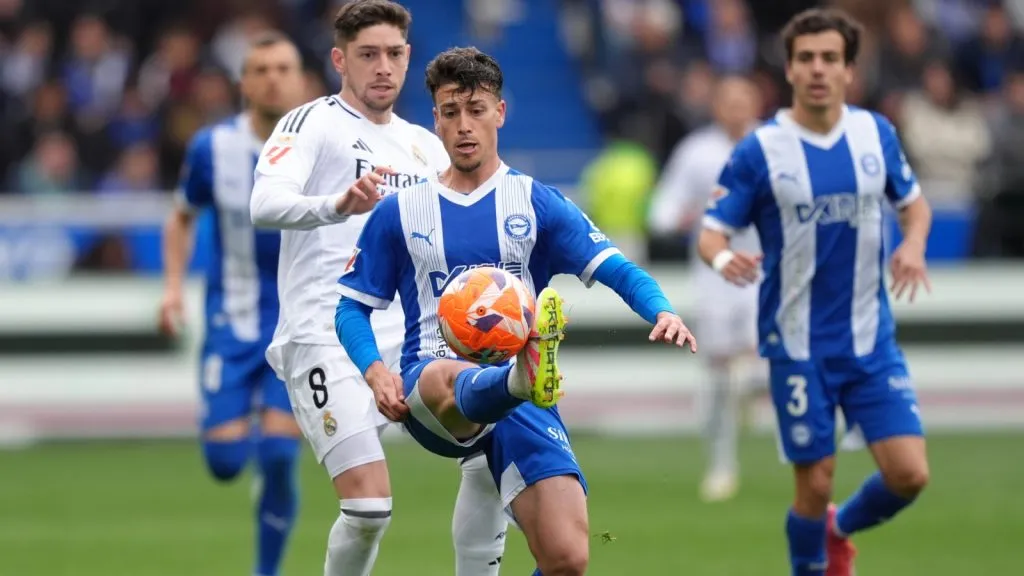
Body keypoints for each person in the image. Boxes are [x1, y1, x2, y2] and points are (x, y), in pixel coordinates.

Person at [335, 46, 698, 576]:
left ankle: (518, 383)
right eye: (451, 112)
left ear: (500, 113)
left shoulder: (536, 202)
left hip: (522, 391)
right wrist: (374, 372)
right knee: (442, 373)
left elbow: (616, 267)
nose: (464, 126)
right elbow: (350, 307)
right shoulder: (400, 211)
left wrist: (662, 310)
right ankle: (519, 380)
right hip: (432, 393)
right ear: (434, 118)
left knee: (567, 559)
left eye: (476, 110)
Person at [248, 2, 508, 575]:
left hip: (410, 340)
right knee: (368, 508)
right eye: (368, 55)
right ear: (341, 59)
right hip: (325, 336)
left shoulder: (425, 146)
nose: (382, 67)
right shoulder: (312, 123)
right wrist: (335, 204)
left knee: (496, 446)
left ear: (408, 57)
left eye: (393, 54)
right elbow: (263, 204)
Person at [698, 9, 932, 576]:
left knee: (909, 473)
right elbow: (711, 232)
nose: (818, 69)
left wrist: (914, 245)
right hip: (797, 344)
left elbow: (914, 204)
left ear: (850, 69)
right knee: (815, 479)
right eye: (807, 58)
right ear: (789, 69)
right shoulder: (761, 150)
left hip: (869, 338)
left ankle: (839, 528)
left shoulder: (875, 133)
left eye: (831, 58)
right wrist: (727, 259)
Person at [159, 32, 306, 576]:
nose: (272, 77)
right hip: (232, 319)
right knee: (224, 462)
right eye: (261, 68)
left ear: (302, 80)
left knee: (277, 453)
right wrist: (173, 286)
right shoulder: (211, 148)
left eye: (283, 67)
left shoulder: (325, 147)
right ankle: (250, 454)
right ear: (244, 82)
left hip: (297, 325)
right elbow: (180, 216)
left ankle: (265, 570)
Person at [648, 75, 765, 502]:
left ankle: (752, 390)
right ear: (716, 105)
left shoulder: (775, 146)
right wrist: (675, 218)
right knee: (718, 373)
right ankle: (721, 466)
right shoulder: (697, 152)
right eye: (728, 100)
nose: (736, 108)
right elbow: (663, 205)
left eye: (744, 100)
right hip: (714, 275)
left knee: (760, 357)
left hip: (764, 271)